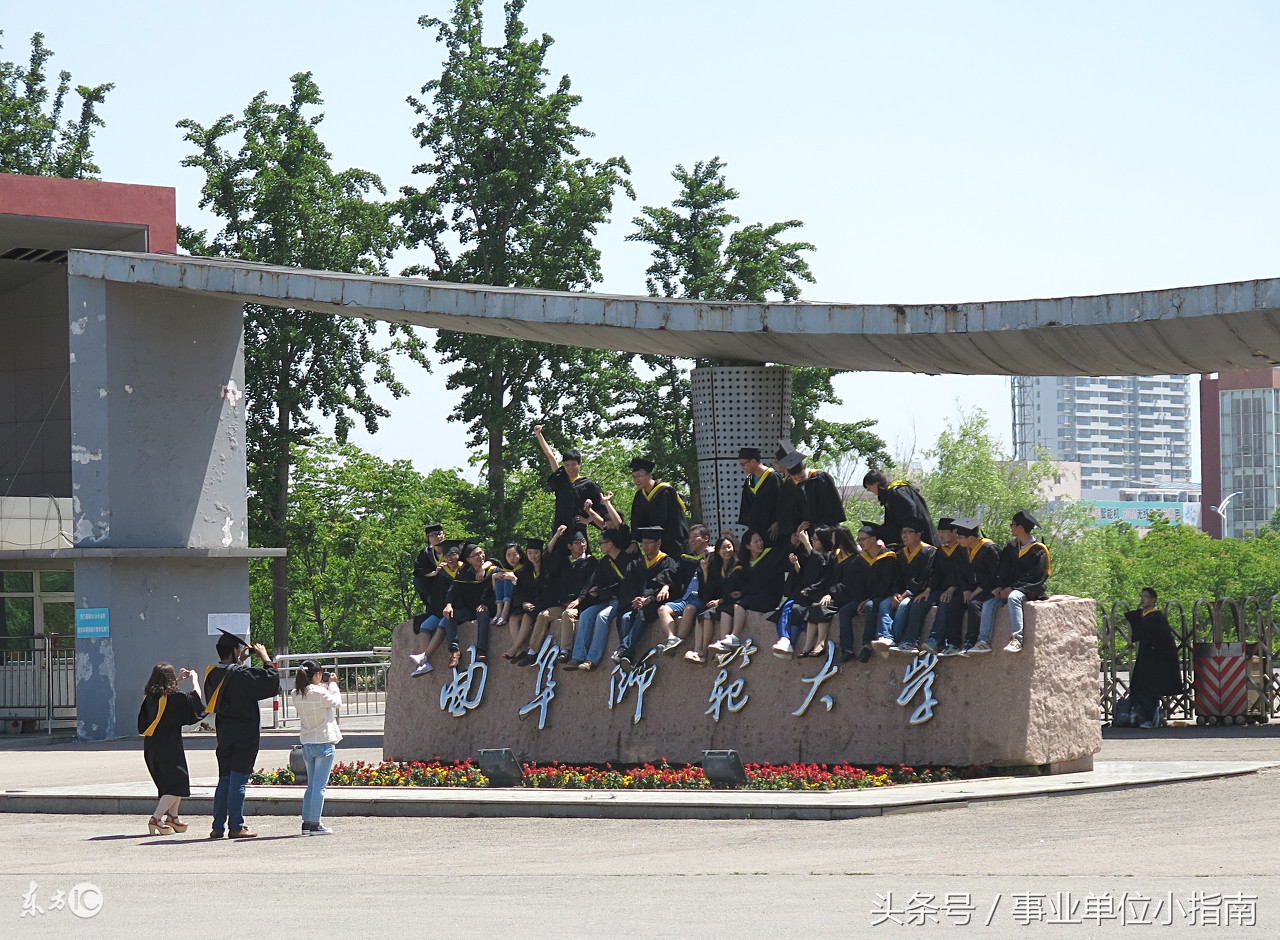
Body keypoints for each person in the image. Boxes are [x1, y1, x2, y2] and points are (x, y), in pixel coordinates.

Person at [205, 630, 280, 839]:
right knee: (238, 780)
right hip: (244, 734)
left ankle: (218, 827)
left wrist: (240, 661)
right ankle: (236, 826)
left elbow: (231, 678)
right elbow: (271, 682)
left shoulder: (212, 673)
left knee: (224, 780)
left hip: (224, 733)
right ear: (234, 651)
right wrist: (265, 657)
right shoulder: (240, 674)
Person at [138, 662, 204, 835]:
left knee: (170, 782)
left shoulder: (151, 697)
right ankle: (156, 818)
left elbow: (166, 698)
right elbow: (195, 699)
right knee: (177, 783)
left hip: (152, 745)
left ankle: (173, 817)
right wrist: (194, 680)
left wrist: (177, 681)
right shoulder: (175, 697)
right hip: (169, 746)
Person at [978, 509, 1051, 653]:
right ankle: (983, 641)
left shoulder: (1038, 550)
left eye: (1013, 524)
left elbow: (1035, 576)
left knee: (1014, 597)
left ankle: (1017, 639)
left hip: (1030, 588)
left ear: (1020, 528)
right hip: (1009, 587)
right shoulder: (1011, 546)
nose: (1011, 527)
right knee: (990, 601)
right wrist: (1000, 586)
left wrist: (1013, 588)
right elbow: (1003, 569)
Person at [709, 530, 786, 652]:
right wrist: (741, 592)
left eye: (760, 540)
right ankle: (724, 642)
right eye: (756, 542)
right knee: (726, 609)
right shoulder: (745, 562)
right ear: (748, 546)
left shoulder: (770, 556)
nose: (760, 543)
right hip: (753, 596)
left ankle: (734, 636)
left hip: (769, 597)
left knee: (739, 605)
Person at [613, 525, 679, 667]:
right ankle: (625, 652)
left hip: (656, 602)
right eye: (643, 542)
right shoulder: (637, 563)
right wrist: (635, 599)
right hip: (638, 602)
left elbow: (668, 584)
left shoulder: (668, 562)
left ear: (659, 543)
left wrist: (648, 599)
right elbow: (628, 587)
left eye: (649, 542)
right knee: (625, 617)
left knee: (642, 613)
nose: (645, 546)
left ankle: (625, 651)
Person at [566, 527, 629, 670]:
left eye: (601, 543)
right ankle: (578, 656)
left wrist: (603, 591)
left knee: (602, 617)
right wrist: (593, 590)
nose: (599, 546)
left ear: (610, 544)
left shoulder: (628, 560)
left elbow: (624, 585)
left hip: (621, 601)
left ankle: (592, 659)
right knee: (586, 614)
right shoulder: (604, 562)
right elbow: (594, 580)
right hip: (605, 599)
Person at [292, 660, 341, 835]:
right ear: (317, 675)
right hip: (324, 741)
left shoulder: (296, 693)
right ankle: (315, 823)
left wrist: (322, 684)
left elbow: (311, 690)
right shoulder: (321, 692)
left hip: (307, 743)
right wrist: (333, 684)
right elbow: (336, 702)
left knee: (312, 785)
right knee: (320, 786)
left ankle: (307, 823)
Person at [534, 425, 604, 547]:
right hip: (560, 527)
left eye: (573, 464)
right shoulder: (561, 480)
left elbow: (602, 507)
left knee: (581, 557)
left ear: (579, 464)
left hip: (578, 529)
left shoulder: (588, 485)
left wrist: (588, 520)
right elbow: (550, 456)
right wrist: (539, 435)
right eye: (567, 465)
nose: (570, 468)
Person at [836, 526, 898, 663]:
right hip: (863, 598)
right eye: (859, 540)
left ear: (874, 539)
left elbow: (886, 583)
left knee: (870, 606)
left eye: (863, 539)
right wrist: (860, 600)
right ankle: (847, 649)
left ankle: (867, 645)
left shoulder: (888, 557)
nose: (860, 543)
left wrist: (868, 599)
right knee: (845, 611)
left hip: (882, 596)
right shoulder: (860, 559)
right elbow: (854, 583)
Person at [1124, 588, 1184, 728]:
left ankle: (1152, 716)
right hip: (1145, 656)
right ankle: (1147, 716)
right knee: (1140, 687)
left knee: (1148, 687)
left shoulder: (1157, 617)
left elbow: (1163, 640)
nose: (1142, 599)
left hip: (1155, 657)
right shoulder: (1144, 615)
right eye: (1141, 596)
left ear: (1153, 599)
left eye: (1146, 597)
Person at [769, 524, 832, 657]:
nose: (813, 542)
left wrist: (806, 542)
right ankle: (786, 641)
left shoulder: (830, 556)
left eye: (816, 539)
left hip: (817, 595)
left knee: (794, 608)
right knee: (789, 607)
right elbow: (804, 576)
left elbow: (821, 569)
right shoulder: (810, 555)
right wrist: (797, 564)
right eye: (812, 539)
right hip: (805, 594)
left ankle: (787, 641)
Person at [655, 523, 712, 655]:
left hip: (703, 596)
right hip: (686, 597)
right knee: (663, 609)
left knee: (689, 609)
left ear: (706, 538)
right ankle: (671, 639)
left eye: (695, 537)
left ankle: (678, 640)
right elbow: (674, 575)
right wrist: (665, 587)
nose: (691, 540)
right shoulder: (686, 558)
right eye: (690, 537)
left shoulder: (714, 556)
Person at [409, 540, 462, 677]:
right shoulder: (443, 573)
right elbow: (438, 595)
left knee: (441, 624)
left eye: (452, 555)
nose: (449, 559)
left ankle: (425, 656)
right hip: (443, 609)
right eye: (446, 556)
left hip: (459, 609)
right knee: (425, 625)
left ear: (459, 555)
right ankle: (424, 665)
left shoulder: (464, 570)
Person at [441, 543, 498, 667]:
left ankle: (481, 650)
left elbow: (496, 591)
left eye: (481, 553)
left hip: (488, 608)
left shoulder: (493, 570)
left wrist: (486, 604)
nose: (481, 556)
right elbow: (453, 589)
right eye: (476, 555)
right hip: (470, 609)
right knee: (450, 615)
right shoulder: (464, 573)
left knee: (482, 613)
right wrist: (449, 604)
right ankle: (454, 651)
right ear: (468, 559)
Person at [687, 533, 739, 664]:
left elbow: (736, 590)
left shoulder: (737, 566)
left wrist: (720, 601)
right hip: (718, 602)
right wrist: (705, 571)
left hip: (731, 602)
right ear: (718, 551)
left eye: (729, 547)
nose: (727, 551)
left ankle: (703, 651)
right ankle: (698, 650)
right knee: (701, 614)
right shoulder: (716, 566)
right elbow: (708, 590)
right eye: (723, 548)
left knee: (707, 614)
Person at [775, 446, 846, 539]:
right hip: (804, 532)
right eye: (794, 475)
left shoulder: (820, 478)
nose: (797, 477)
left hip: (825, 528)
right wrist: (793, 531)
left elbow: (830, 504)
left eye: (800, 473)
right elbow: (788, 512)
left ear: (805, 466)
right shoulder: (788, 485)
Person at [888, 518, 937, 653]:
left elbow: (925, 576)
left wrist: (907, 593)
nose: (905, 535)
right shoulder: (900, 554)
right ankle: (890, 639)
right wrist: (896, 593)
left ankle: (907, 641)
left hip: (922, 591)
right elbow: (896, 578)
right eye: (903, 532)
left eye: (909, 532)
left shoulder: (929, 552)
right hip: (904, 592)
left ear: (919, 534)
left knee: (905, 605)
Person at [915, 518, 962, 656]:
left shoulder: (962, 550)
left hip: (958, 589)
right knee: (919, 602)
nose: (940, 535)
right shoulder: (941, 551)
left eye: (943, 531)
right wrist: (928, 590)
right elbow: (935, 574)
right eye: (939, 531)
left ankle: (935, 640)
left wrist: (952, 588)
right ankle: (910, 640)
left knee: (945, 601)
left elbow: (962, 574)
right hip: (940, 588)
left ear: (954, 532)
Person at [955, 517, 1001, 655]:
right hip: (970, 588)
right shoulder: (961, 550)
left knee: (975, 604)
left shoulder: (990, 549)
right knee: (954, 604)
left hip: (988, 588)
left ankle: (971, 641)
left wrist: (977, 591)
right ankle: (952, 642)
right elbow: (960, 572)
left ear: (971, 538)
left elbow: (994, 575)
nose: (958, 540)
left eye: (960, 537)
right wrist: (966, 589)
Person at [628, 457, 689, 556]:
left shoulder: (665, 491)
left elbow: (673, 520)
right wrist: (635, 540)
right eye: (634, 477)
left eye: (639, 476)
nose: (636, 480)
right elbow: (636, 519)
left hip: (672, 541)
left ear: (650, 475)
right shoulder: (639, 495)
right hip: (652, 543)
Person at [863, 470, 938, 548]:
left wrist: (906, 533)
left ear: (876, 484)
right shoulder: (893, 492)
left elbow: (910, 509)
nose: (871, 491)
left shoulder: (896, 492)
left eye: (869, 488)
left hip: (919, 538)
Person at [736, 447, 781, 544]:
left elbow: (782, 501)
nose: (742, 468)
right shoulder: (749, 480)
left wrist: (778, 521)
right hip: (756, 530)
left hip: (772, 529)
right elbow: (747, 506)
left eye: (743, 464)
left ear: (753, 461)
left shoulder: (773, 477)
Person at [492, 543, 526, 629]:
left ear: (520, 555)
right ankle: (499, 612)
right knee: (500, 578)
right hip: (504, 602)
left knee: (508, 578)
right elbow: (494, 590)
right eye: (509, 555)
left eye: (515, 555)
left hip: (518, 602)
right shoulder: (505, 570)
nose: (512, 558)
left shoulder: (525, 569)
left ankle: (505, 612)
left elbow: (524, 588)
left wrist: (513, 579)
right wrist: (493, 577)